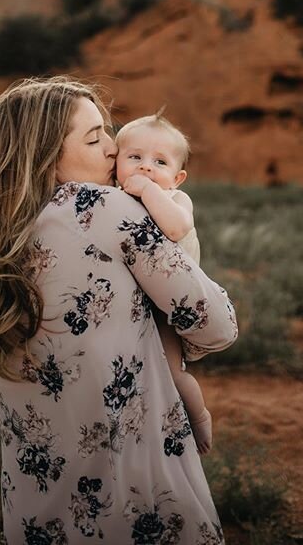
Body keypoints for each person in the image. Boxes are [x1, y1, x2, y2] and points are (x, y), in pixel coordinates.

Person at [0, 76, 238, 545]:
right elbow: (216, 325)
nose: (113, 147)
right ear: (46, 152)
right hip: (133, 493)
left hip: (38, 502)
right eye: (95, 136)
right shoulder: (102, 206)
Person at [115, 113, 212, 455]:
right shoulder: (113, 198)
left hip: (166, 307)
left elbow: (174, 230)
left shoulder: (175, 200)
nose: (145, 167)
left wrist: (147, 191)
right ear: (116, 162)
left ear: (177, 177)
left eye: (159, 162)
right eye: (134, 157)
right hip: (128, 304)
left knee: (172, 371)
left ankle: (198, 416)